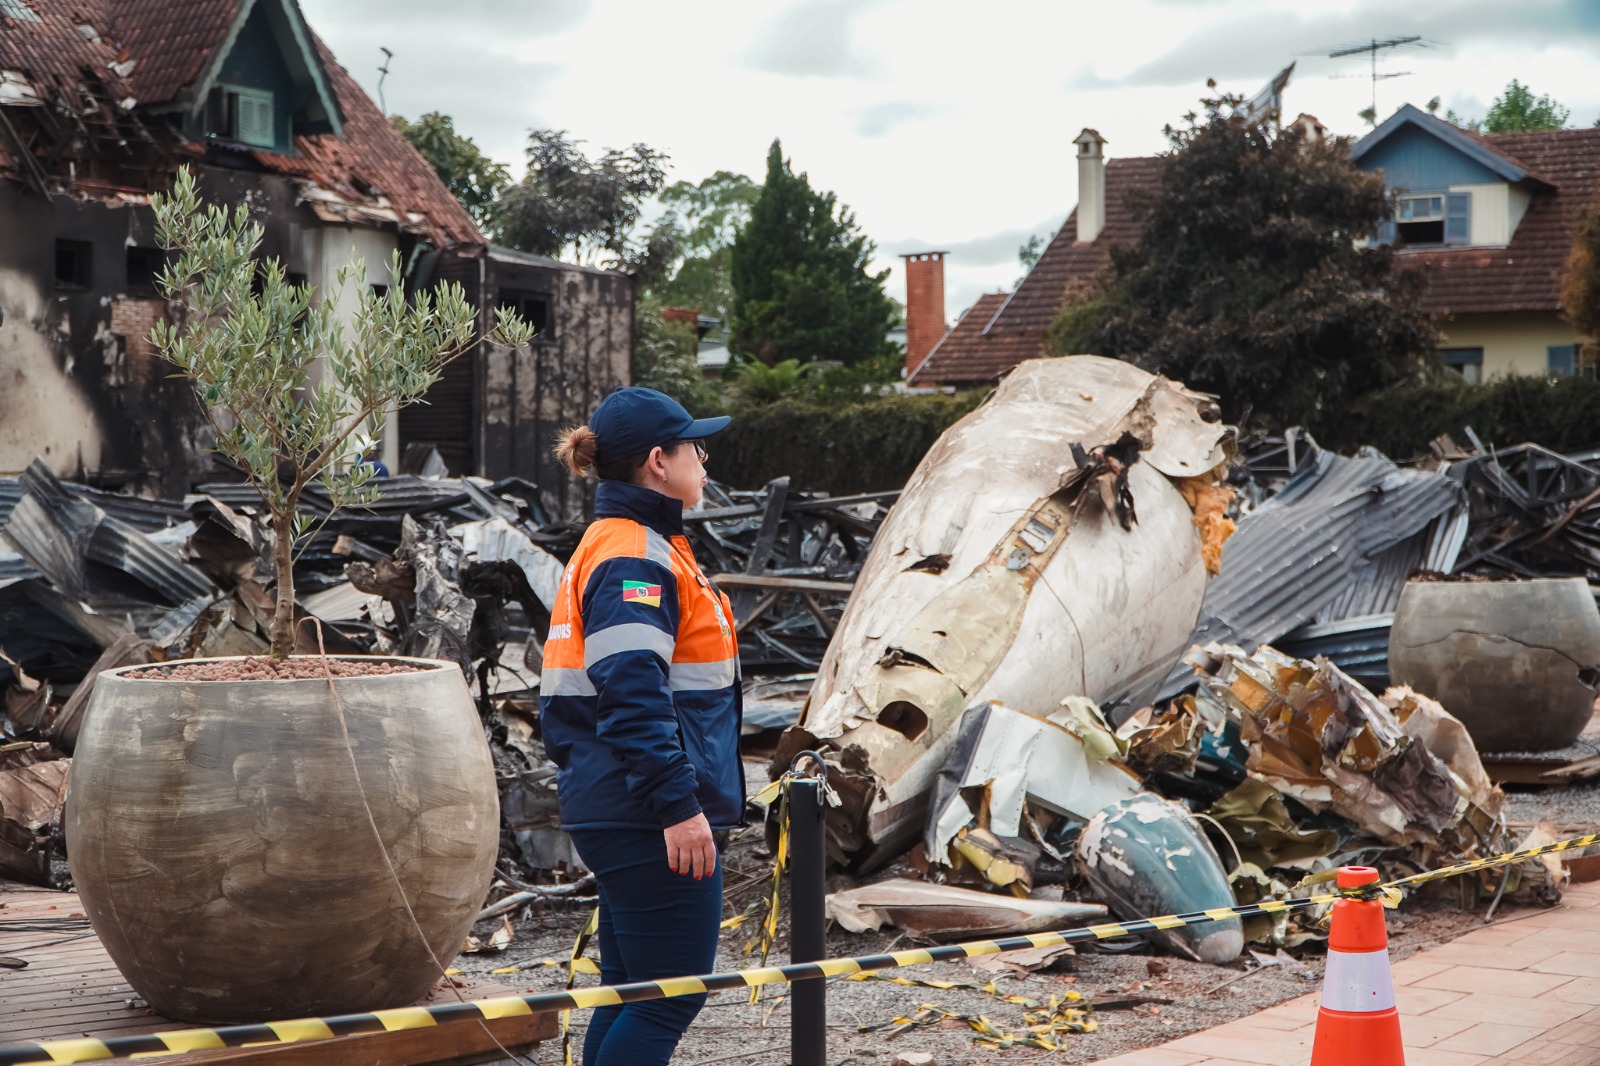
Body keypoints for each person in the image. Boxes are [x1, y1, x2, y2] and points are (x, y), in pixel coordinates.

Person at [540, 387, 741, 1066]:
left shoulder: (633, 543)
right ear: (659, 461)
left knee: (633, 992)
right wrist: (678, 806)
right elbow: (632, 694)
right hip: (646, 811)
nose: (705, 461)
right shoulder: (634, 556)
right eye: (695, 448)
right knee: (670, 997)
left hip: (623, 803)